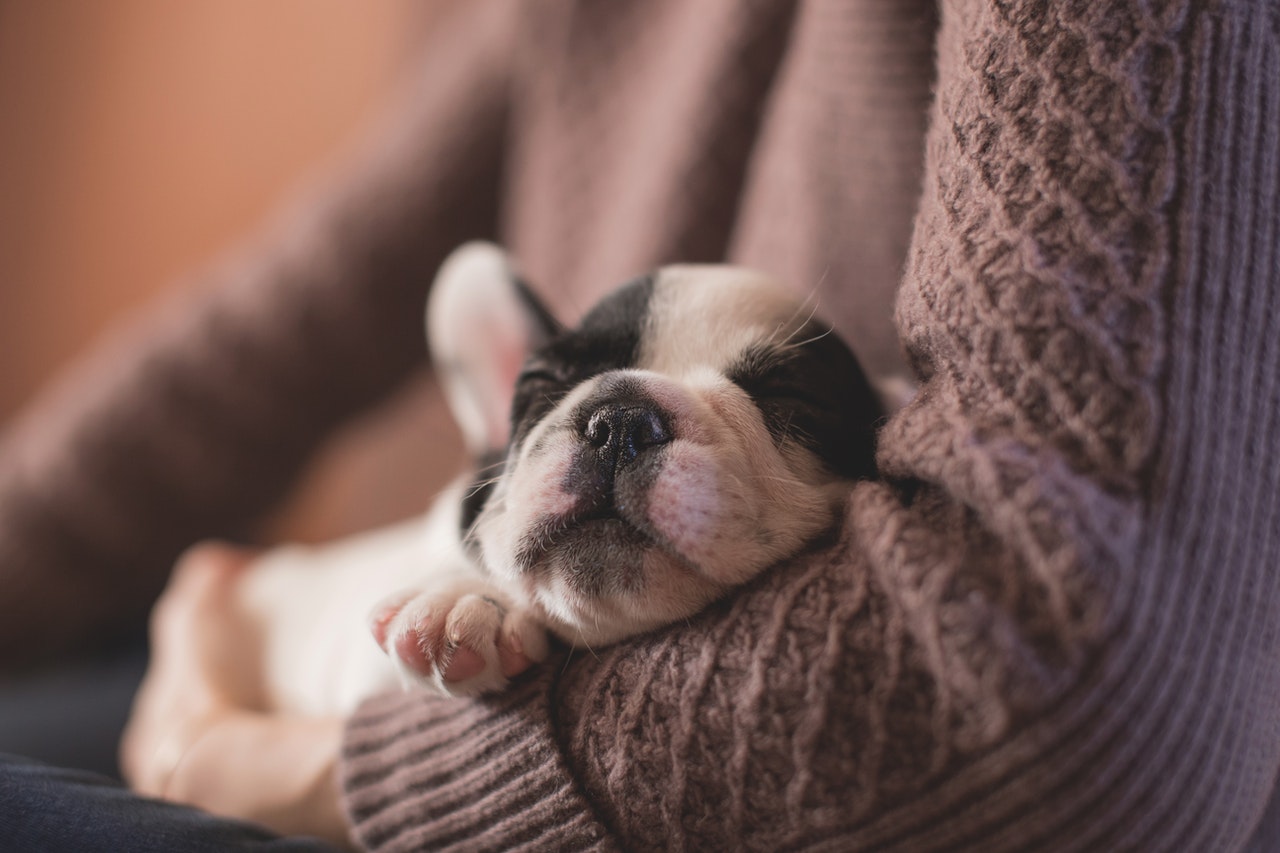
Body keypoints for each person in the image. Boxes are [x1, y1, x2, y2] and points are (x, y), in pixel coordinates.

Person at [2, 1, 1279, 850]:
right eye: (566, 393)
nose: (614, 428)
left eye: (774, 406)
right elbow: (258, 339)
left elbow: (1069, 692)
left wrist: (264, 762)